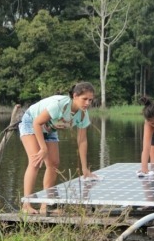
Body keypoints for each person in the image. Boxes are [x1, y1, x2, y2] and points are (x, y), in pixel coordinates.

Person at [19, 82, 97, 214]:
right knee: (35, 161)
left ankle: (45, 205)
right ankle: (26, 205)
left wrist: (85, 169)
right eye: (85, 99)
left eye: (90, 100)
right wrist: (43, 148)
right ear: (75, 96)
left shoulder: (83, 114)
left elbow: (82, 140)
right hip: (32, 121)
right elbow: (37, 123)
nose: (87, 103)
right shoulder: (60, 105)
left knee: (54, 163)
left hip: (50, 128)